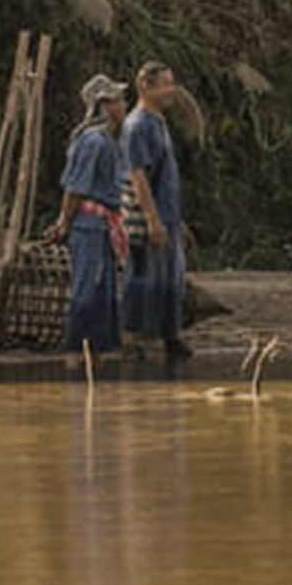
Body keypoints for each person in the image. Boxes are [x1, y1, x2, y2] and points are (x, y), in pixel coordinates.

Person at [44, 74, 129, 357]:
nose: (124, 106)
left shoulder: (109, 140)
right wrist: (63, 222)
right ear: (104, 106)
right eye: (118, 100)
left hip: (103, 224)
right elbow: (75, 187)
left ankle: (102, 348)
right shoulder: (93, 141)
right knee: (88, 287)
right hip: (89, 225)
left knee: (104, 289)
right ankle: (75, 349)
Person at [120, 60, 193, 360]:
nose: (170, 90)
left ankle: (170, 337)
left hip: (168, 213)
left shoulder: (158, 122)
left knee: (170, 278)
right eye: (164, 84)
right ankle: (131, 339)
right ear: (145, 87)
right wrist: (152, 219)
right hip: (150, 217)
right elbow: (137, 175)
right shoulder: (137, 125)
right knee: (143, 278)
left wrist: (176, 219)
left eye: (171, 82)